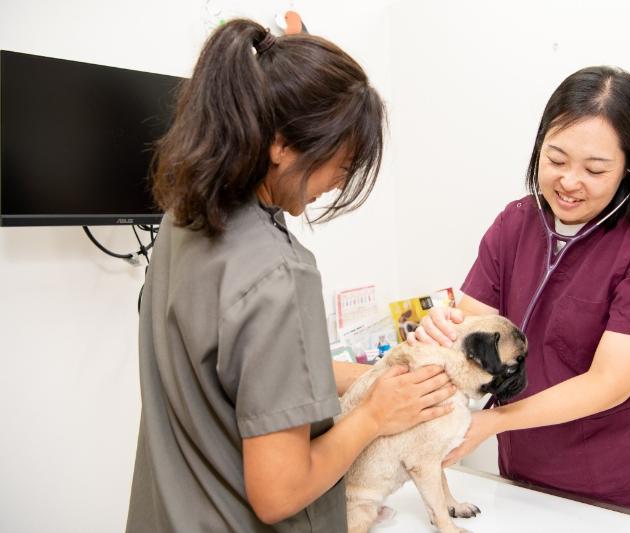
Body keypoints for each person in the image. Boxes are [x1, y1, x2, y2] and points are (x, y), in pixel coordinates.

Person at [126, 19, 456, 532]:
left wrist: (380, 377)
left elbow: (244, 375)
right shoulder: (280, 274)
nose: (338, 182)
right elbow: (278, 494)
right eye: (342, 165)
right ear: (280, 143)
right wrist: (373, 416)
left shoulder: (183, 218)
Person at [409, 65, 630, 519]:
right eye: (556, 160)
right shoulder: (515, 224)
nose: (568, 182)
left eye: (595, 169)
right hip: (522, 482)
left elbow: (608, 383)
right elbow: (473, 332)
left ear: (629, 168)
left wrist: (490, 421)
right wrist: (442, 329)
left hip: (621, 495)